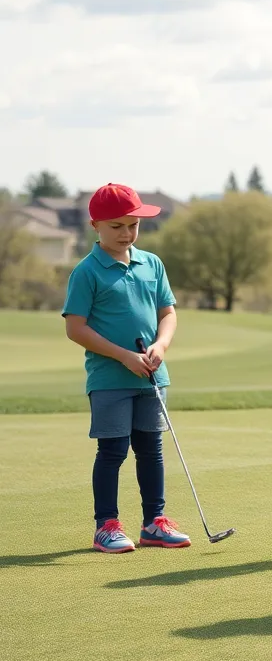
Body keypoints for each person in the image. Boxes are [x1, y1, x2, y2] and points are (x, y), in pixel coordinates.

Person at [62, 183, 190, 553]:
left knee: (151, 449)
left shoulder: (152, 263)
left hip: (152, 373)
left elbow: (167, 312)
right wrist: (123, 356)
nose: (126, 233)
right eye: (116, 226)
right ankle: (107, 525)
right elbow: (76, 328)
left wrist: (160, 344)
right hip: (109, 377)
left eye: (132, 225)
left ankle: (154, 523)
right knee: (113, 450)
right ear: (95, 226)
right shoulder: (87, 272)